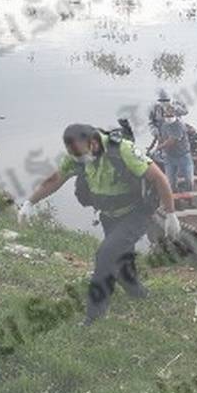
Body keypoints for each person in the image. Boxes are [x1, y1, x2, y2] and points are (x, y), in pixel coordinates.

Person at [17, 124, 182, 325]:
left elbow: (159, 178)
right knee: (121, 259)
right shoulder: (77, 154)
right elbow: (55, 180)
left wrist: (171, 213)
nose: (79, 161)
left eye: (82, 155)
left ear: (94, 143)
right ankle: (138, 293)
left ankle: (93, 316)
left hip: (135, 213)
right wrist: (30, 202)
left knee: (105, 254)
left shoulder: (123, 150)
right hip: (108, 215)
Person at [154, 92, 194, 193]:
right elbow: (161, 138)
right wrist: (158, 147)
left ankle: (190, 196)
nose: (168, 117)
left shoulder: (179, 125)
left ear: (175, 114)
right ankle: (174, 199)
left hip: (183, 156)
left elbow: (171, 141)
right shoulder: (163, 125)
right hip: (169, 157)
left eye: (170, 115)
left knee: (189, 180)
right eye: (166, 115)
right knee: (170, 182)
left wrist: (159, 148)